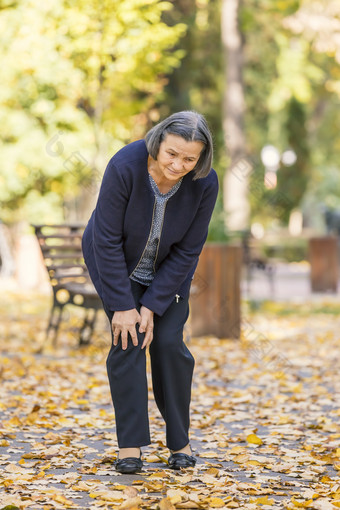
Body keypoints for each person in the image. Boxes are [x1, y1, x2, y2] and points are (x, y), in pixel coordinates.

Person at [82, 111, 218, 473]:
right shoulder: (124, 165)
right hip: (115, 263)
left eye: (190, 158)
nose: (178, 164)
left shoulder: (205, 182)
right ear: (158, 142)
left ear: (201, 158)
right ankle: (130, 446)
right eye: (172, 154)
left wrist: (153, 305)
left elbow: (189, 249)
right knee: (127, 339)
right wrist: (124, 306)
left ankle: (180, 442)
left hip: (168, 273)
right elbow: (106, 239)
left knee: (169, 344)